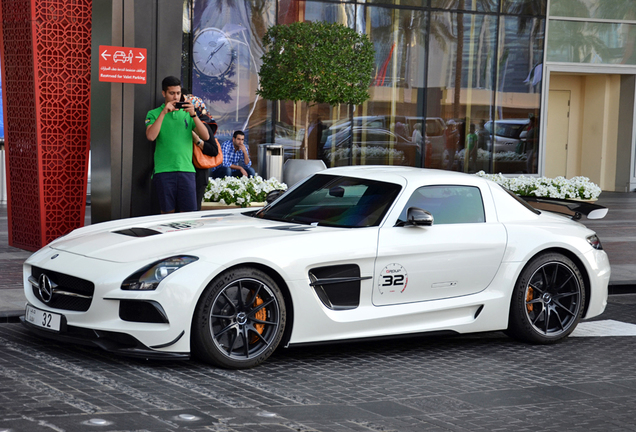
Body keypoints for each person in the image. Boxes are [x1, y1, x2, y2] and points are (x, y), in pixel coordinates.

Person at [145, 76, 210, 213]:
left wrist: (194, 115)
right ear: (164, 93)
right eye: (172, 93)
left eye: (178, 93)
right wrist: (163, 113)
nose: (176, 97)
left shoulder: (187, 114)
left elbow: (206, 136)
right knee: (167, 214)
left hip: (187, 170)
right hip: (164, 171)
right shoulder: (154, 113)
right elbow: (150, 136)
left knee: (189, 215)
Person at [186, 94, 220, 210]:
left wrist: (198, 141)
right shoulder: (185, 123)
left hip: (198, 175)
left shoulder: (203, 125)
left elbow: (214, 151)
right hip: (186, 173)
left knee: (193, 209)